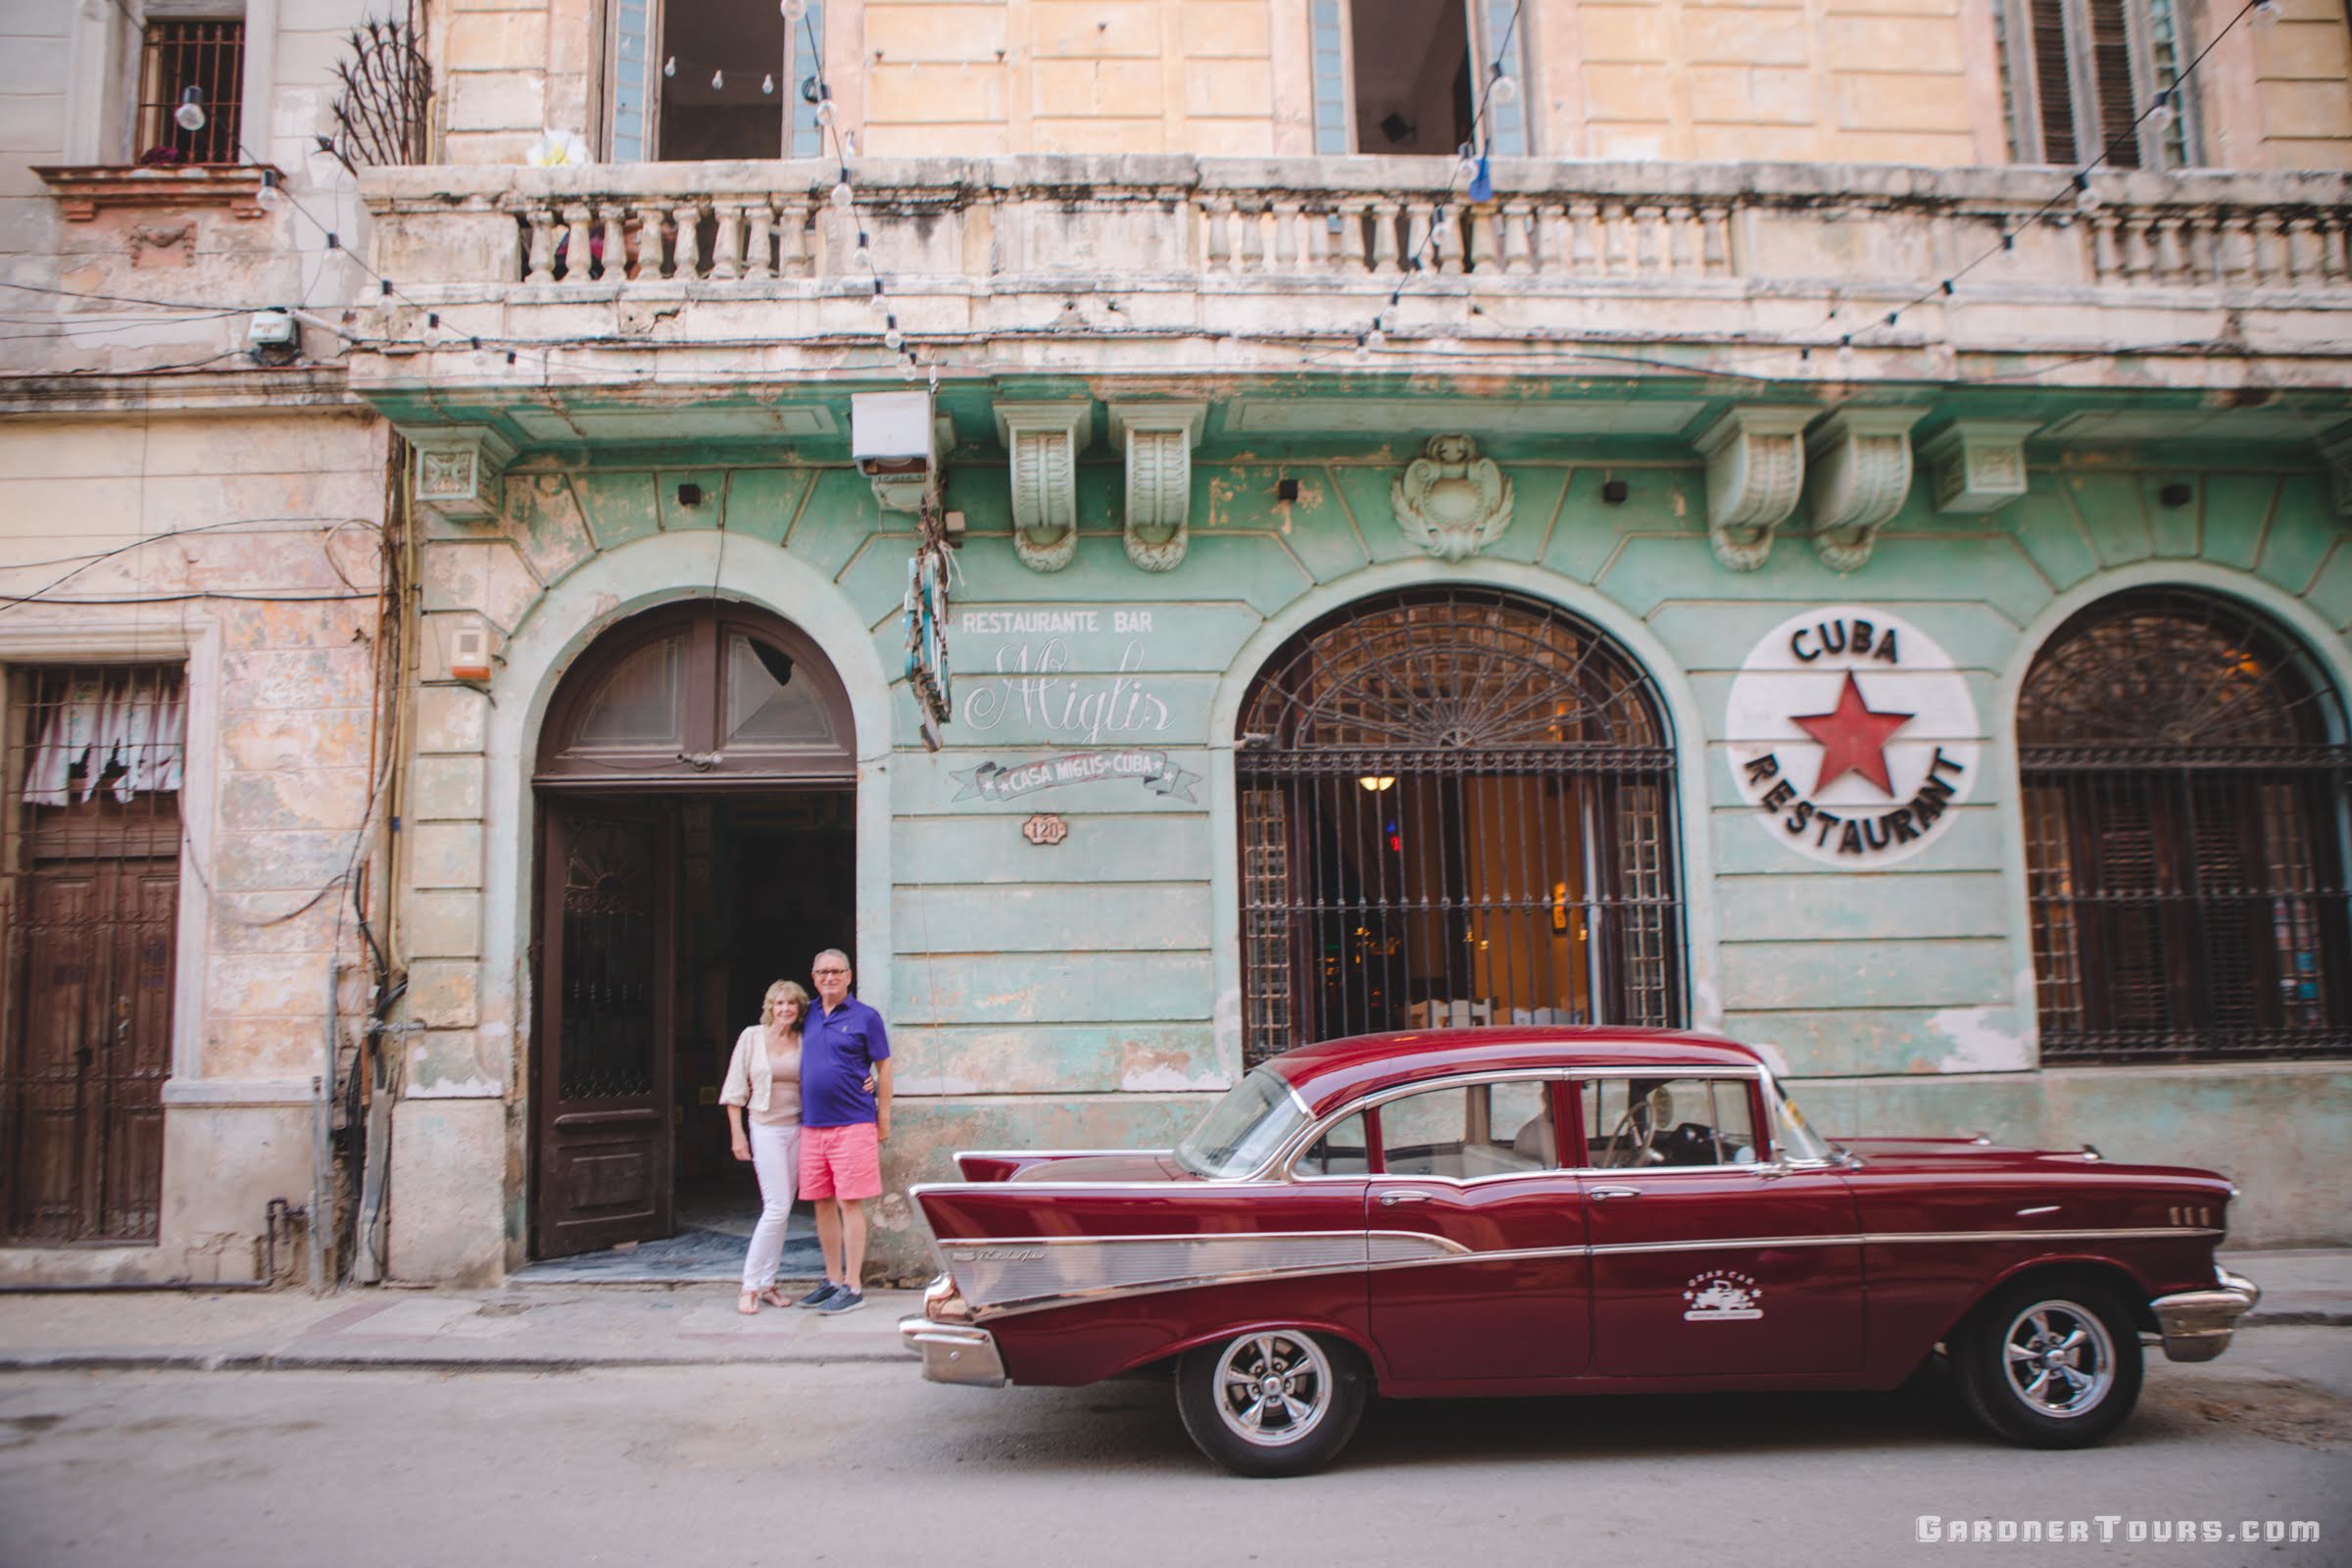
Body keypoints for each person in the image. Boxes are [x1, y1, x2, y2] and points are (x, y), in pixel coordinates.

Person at [794, 948, 892, 1315]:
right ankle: (832, 1279)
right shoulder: (809, 1015)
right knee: (821, 1203)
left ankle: (853, 1286)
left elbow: (884, 1066)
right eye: (822, 972)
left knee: (849, 1202)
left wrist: (883, 1119)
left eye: (836, 971)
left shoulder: (867, 1017)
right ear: (814, 977)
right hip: (812, 1125)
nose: (829, 977)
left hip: (853, 1123)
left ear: (849, 976)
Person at [719, 979, 808, 1315]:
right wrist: (737, 1135)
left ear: (799, 1009)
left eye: (791, 1004)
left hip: (799, 1128)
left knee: (783, 1208)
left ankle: (768, 1283)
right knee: (775, 1206)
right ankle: (749, 1286)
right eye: (779, 1003)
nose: (785, 1009)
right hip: (765, 1128)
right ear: (769, 1007)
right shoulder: (751, 1037)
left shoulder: (804, 1039)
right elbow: (734, 1089)